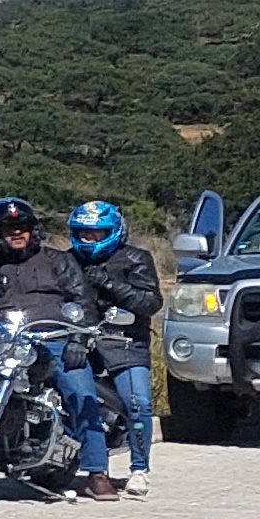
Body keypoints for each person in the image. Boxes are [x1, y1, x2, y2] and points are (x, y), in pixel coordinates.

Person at [0, 196, 109, 497]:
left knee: (81, 393)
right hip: (4, 345)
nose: (16, 233)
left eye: (22, 227)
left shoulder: (58, 261)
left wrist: (78, 338)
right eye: (8, 228)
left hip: (53, 340)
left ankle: (97, 472)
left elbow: (83, 301)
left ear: (33, 230)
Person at [71, 199, 162, 497]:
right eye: (83, 233)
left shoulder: (136, 259)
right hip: (79, 336)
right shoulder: (67, 260)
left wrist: (111, 285)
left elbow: (150, 303)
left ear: (114, 232)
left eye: (97, 233)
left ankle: (139, 468)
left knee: (137, 402)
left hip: (124, 339)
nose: (89, 239)